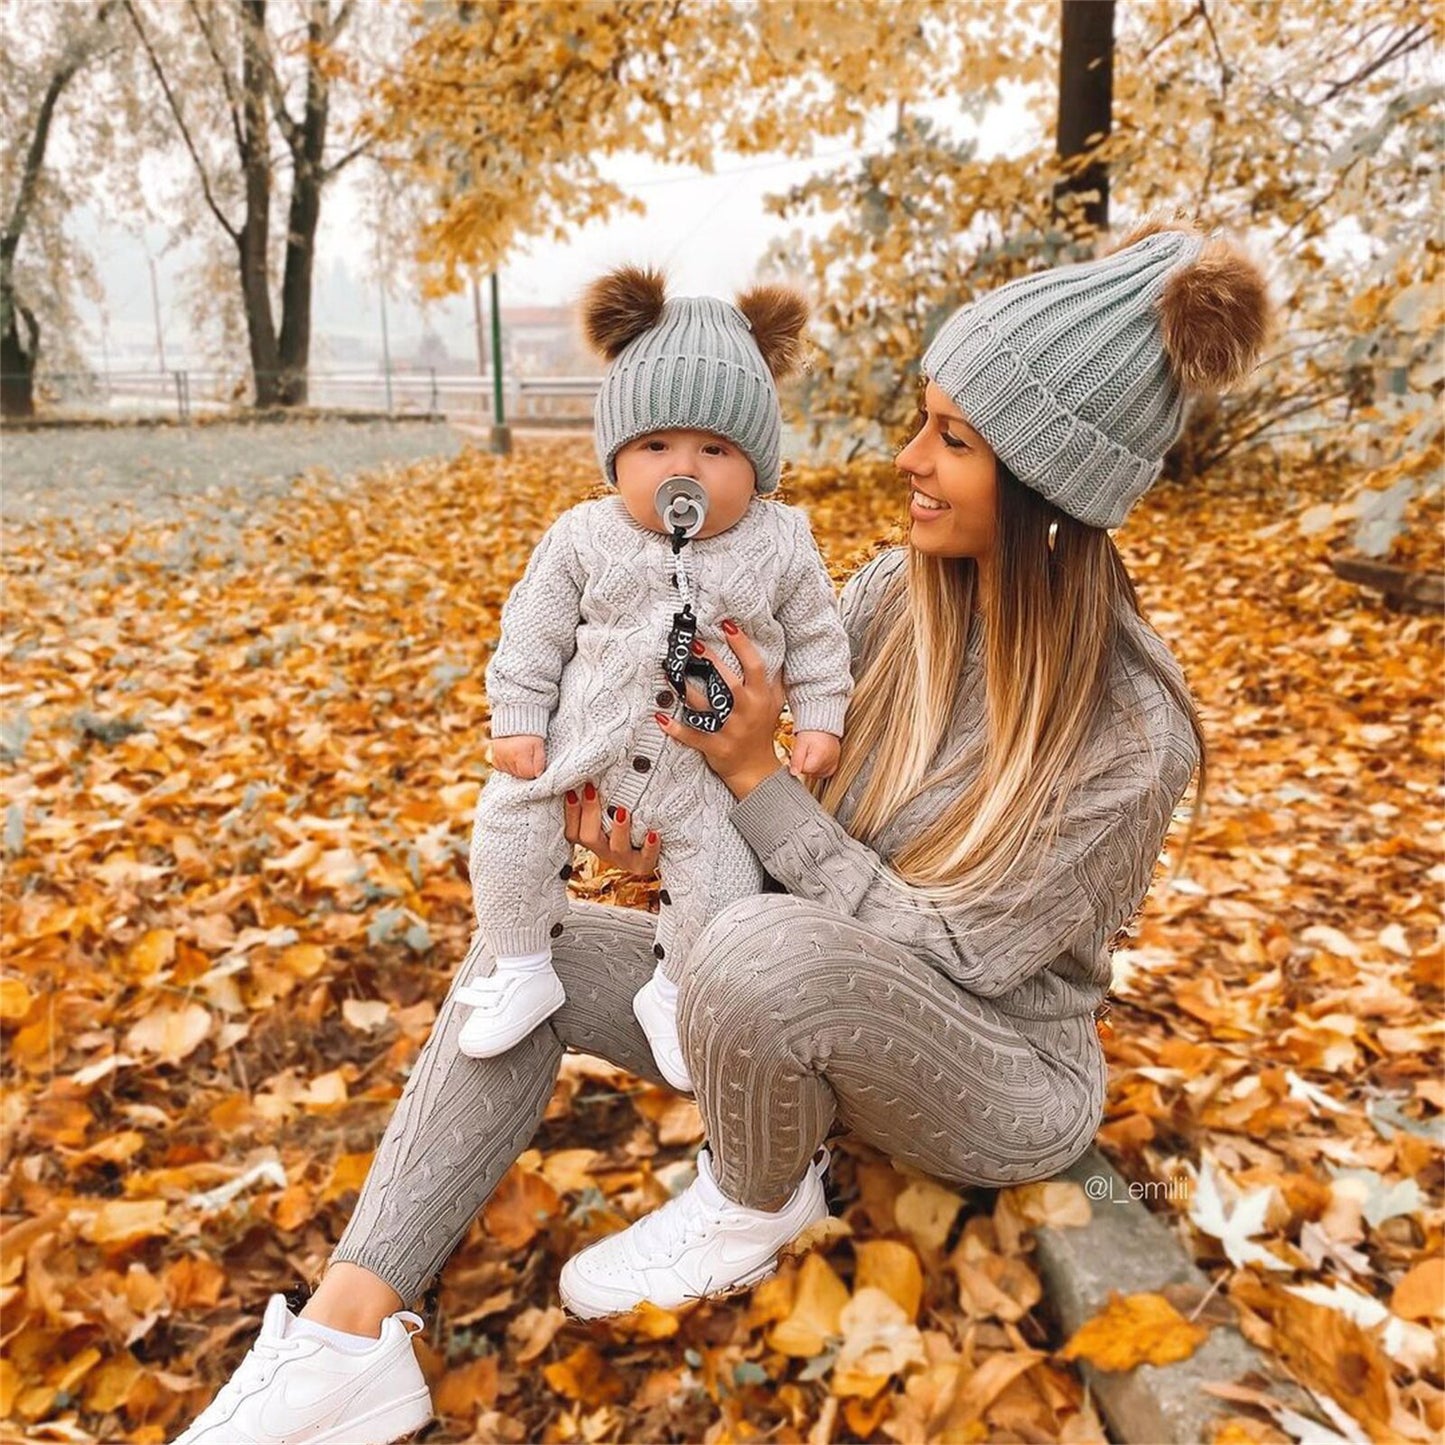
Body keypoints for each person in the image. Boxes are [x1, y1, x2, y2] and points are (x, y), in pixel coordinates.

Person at [170, 219, 1270, 1444]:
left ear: (1049, 485)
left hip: (993, 1071)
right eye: (921, 417)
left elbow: (958, 957)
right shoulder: (888, 598)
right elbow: (754, 806)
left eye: (951, 439)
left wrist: (754, 783)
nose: (907, 457)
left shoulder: (1130, 729)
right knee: (519, 956)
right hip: (792, 1002)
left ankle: (753, 1195)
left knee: (753, 951)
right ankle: (342, 1339)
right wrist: (666, 812)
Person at [454, 266, 852, 1090]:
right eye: (656, 447)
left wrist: (819, 716)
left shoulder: (780, 542)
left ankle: (673, 991)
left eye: (715, 449)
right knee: (505, 829)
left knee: (720, 879)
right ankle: (524, 964)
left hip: (704, 776)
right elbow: (530, 630)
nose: (686, 469)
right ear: (616, 457)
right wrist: (519, 716)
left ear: (758, 466)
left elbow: (818, 635)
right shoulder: (580, 537)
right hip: (578, 756)